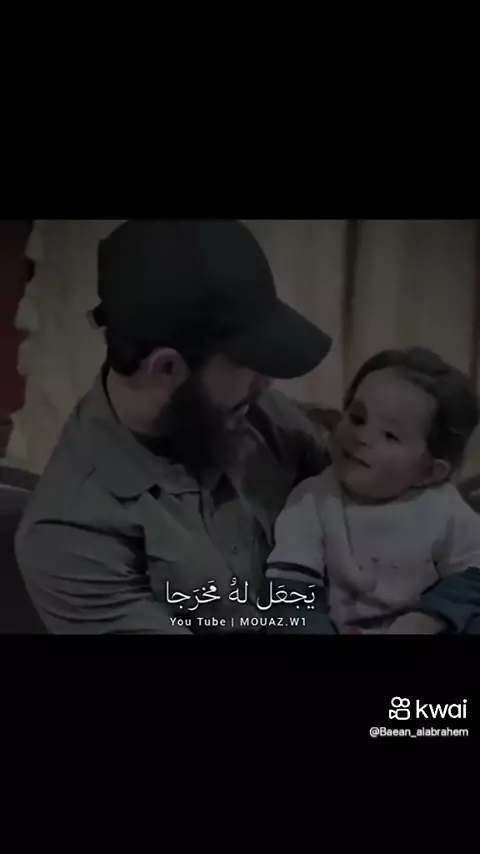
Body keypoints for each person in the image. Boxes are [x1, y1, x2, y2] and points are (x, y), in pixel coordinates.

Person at [15, 219, 333, 634]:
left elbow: (360, 490)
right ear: (166, 368)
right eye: (247, 363)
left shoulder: (249, 411)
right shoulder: (68, 537)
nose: (266, 383)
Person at [266, 347, 480, 633]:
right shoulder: (312, 501)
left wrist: (426, 619)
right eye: (357, 418)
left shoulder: (443, 507)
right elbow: (290, 592)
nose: (361, 436)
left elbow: (474, 573)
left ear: (429, 471)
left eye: (390, 435)